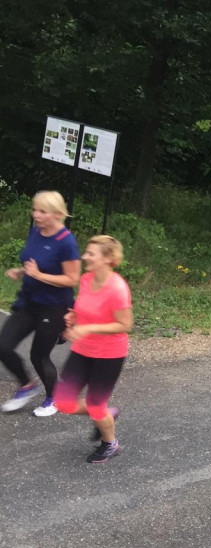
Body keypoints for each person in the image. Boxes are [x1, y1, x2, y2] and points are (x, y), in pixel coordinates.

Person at [1, 191, 81, 416]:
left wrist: (38, 275)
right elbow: (34, 263)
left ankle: (53, 397)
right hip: (28, 302)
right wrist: (21, 271)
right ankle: (27, 386)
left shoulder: (66, 242)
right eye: (34, 209)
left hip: (53, 306)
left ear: (57, 214)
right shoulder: (36, 230)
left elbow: (72, 279)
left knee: (39, 355)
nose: (35, 214)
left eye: (42, 211)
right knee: (3, 346)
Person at [53, 236, 132, 463]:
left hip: (109, 355)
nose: (84, 257)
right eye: (86, 252)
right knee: (63, 403)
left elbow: (125, 325)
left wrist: (89, 328)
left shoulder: (117, 288)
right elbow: (83, 308)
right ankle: (107, 415)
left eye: (91, 254)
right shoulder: (87, 279)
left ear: (107, 259)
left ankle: (110, 444)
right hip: (82, 350)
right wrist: (74, 316)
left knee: (96, 405)